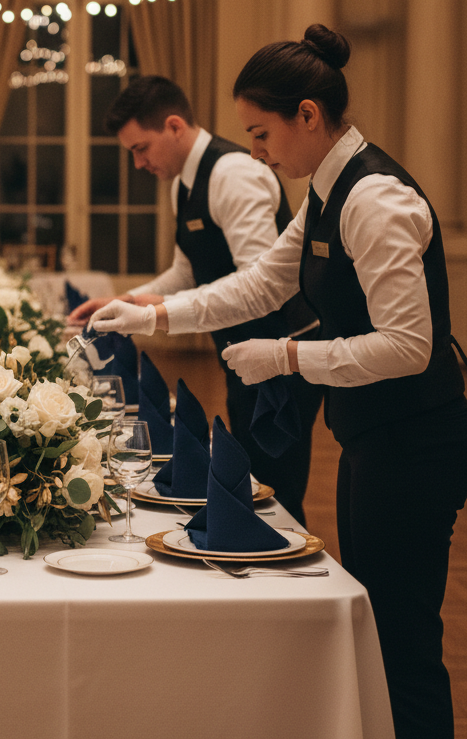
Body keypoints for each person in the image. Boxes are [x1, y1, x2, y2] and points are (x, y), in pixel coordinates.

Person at [91, 25, 467, 739]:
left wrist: (290, 358)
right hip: (376, 437)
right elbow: (260, 284)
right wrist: (151, 317)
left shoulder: (374, 198)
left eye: (263, 134)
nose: (258, 153)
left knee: (403, 641)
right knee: (378, 628)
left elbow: (409, 345)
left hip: (419, 442)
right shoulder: (324, 195)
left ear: (309, 115)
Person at [67, 74, 323, 524]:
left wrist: (155, 316)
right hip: (240, 352)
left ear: (174, 126)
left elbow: (260, 283)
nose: (138, 163)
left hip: (281, 357)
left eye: (140, 148)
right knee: (247, 483)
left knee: (273, 493)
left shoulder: (234, 174)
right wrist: (126, 299)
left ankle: (286, 581)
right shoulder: (182, 183)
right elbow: (188, 271)